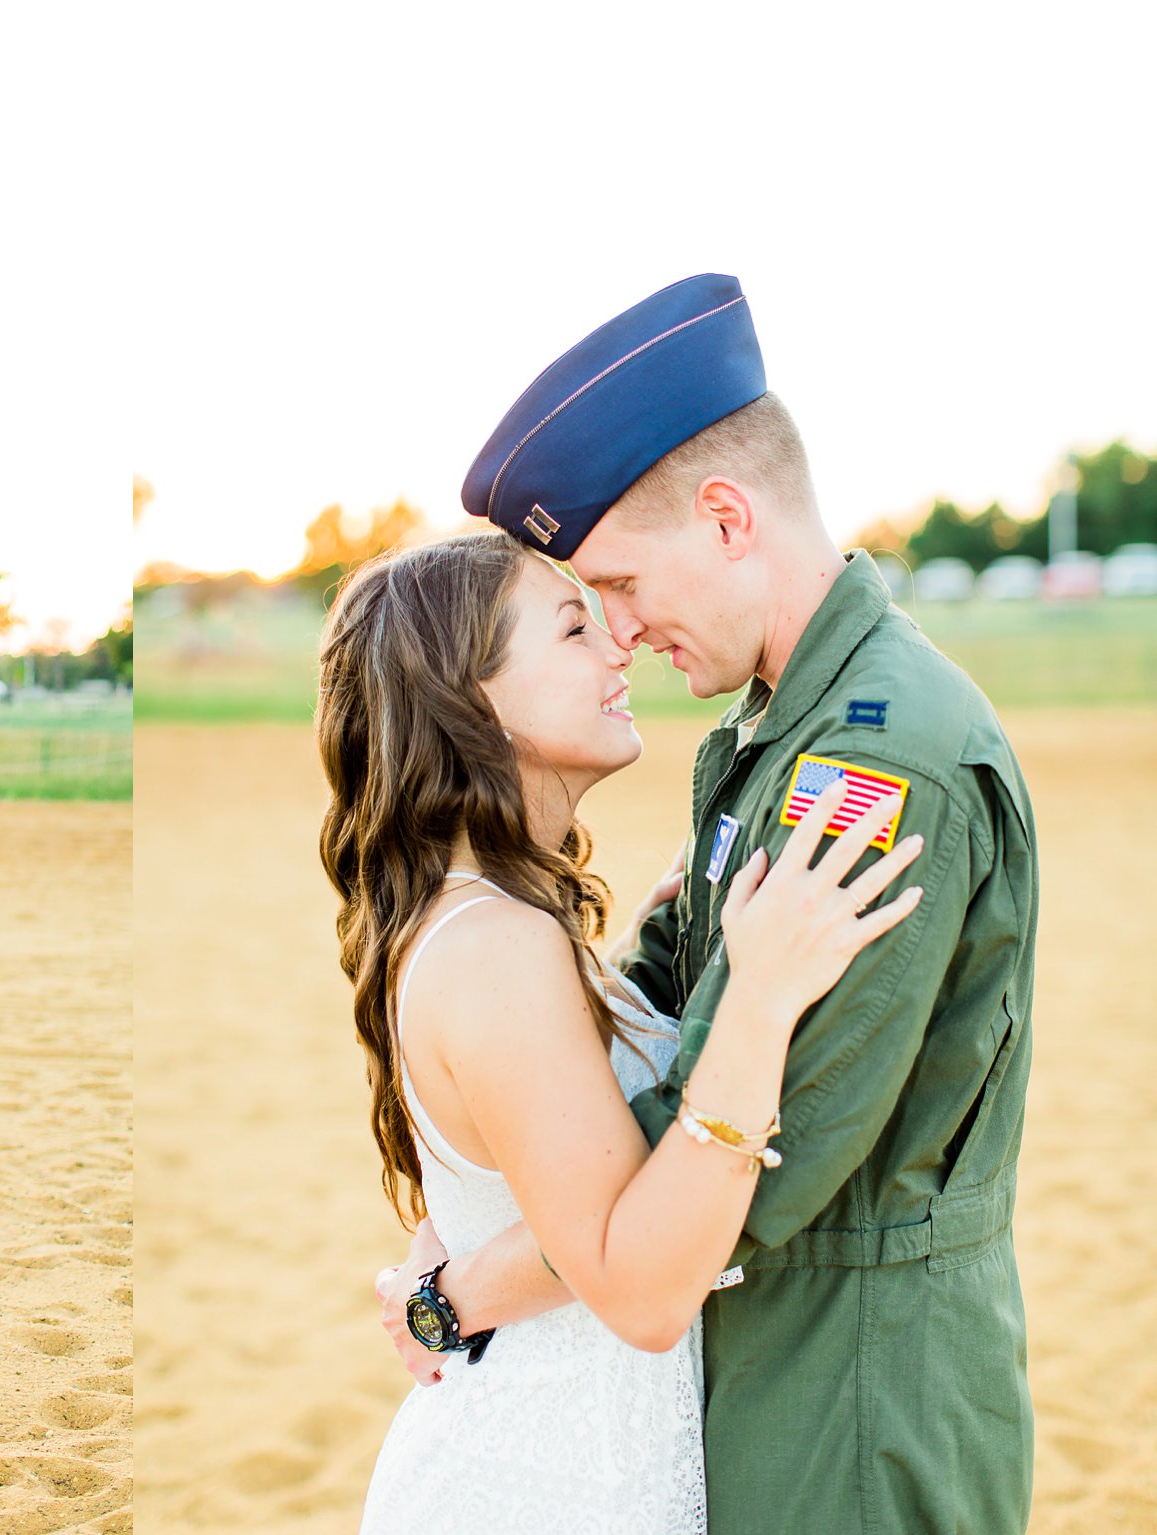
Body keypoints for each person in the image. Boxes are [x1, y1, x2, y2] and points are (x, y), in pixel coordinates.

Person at [373, 275, 1039, 1533]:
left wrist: (466, 1277)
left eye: (616, 583)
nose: (618, 631)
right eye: (580, 609)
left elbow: (749, 1151)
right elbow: (680, 999)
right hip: (770, 1375)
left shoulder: (870, 765)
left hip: (849, 1400)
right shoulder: (778, 731)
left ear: (727, 517)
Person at [320, 532, 922, 1532]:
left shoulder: (486, 919)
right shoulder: (496, 945)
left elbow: (515, 1178)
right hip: (546, 1484)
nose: (616, 649)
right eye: (570, 627)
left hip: (576, 1461)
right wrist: (758, 999)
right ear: (473, 700)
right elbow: (637, 1288)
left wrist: (446, 1286)